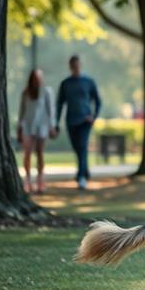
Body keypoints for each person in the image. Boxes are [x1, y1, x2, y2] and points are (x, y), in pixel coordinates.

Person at [56, 55, 101, 190]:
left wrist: (94, 116)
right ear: (70, 67)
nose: (75, 67)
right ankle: (85, 172)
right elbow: (60, 103)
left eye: (77, 65)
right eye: (73, 65)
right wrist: (56, 123)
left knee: (82, 147)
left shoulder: (89, 81)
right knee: (77, 149)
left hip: (85, 121)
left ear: (80, 65)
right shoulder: (66, 83)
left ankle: (81, 177)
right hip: (71, 120)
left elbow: (98, 101)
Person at [18, 69, 57, 193]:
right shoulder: (26, 93)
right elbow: (22, 111)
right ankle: (28, 181)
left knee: (40, 154)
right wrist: (19, 128)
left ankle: (40, 182)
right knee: (27, 153)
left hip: (42, 126)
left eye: (40, 78)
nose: (38, 80)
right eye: (35, 78)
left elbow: (51, 110)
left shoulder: (46, 92)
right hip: (28, 126)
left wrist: (52, 126)